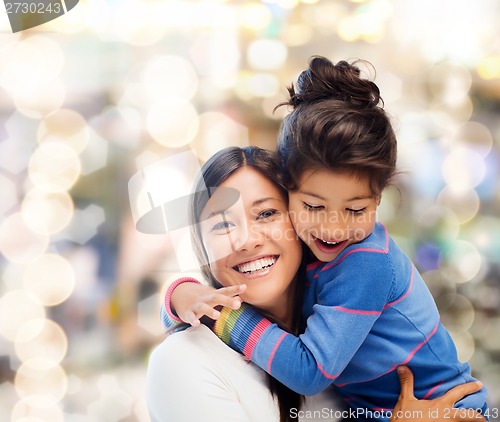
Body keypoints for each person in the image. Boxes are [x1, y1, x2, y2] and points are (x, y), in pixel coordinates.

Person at [163, 57, 489, 421]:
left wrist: (221, 316)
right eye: (314, 207)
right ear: (289, 191)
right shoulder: (309, 247)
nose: (333, 229)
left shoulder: (365, 262)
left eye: (355, 210)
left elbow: (308, 372)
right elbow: (190, 308)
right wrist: (182, 295)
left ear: (378, 199)